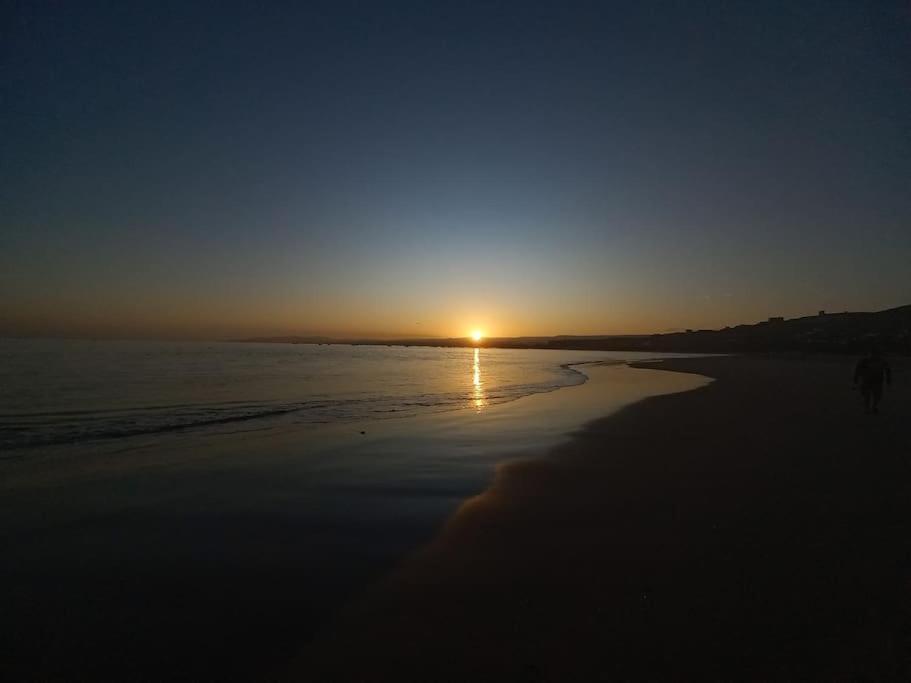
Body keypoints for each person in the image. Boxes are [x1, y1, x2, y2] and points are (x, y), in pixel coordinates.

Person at [854, 347, 892, 414]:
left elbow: (887, 370)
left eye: (876, 354)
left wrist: (888, 380)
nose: (873, 355)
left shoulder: (882, 361)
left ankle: (874, 407)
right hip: (866, 381)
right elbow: (857, 370)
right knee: (866, 395)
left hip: (877, 381)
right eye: (872, 354)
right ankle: (867, 408)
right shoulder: (864, 361)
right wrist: (856, 380)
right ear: (869, 354)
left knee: (877, 396)